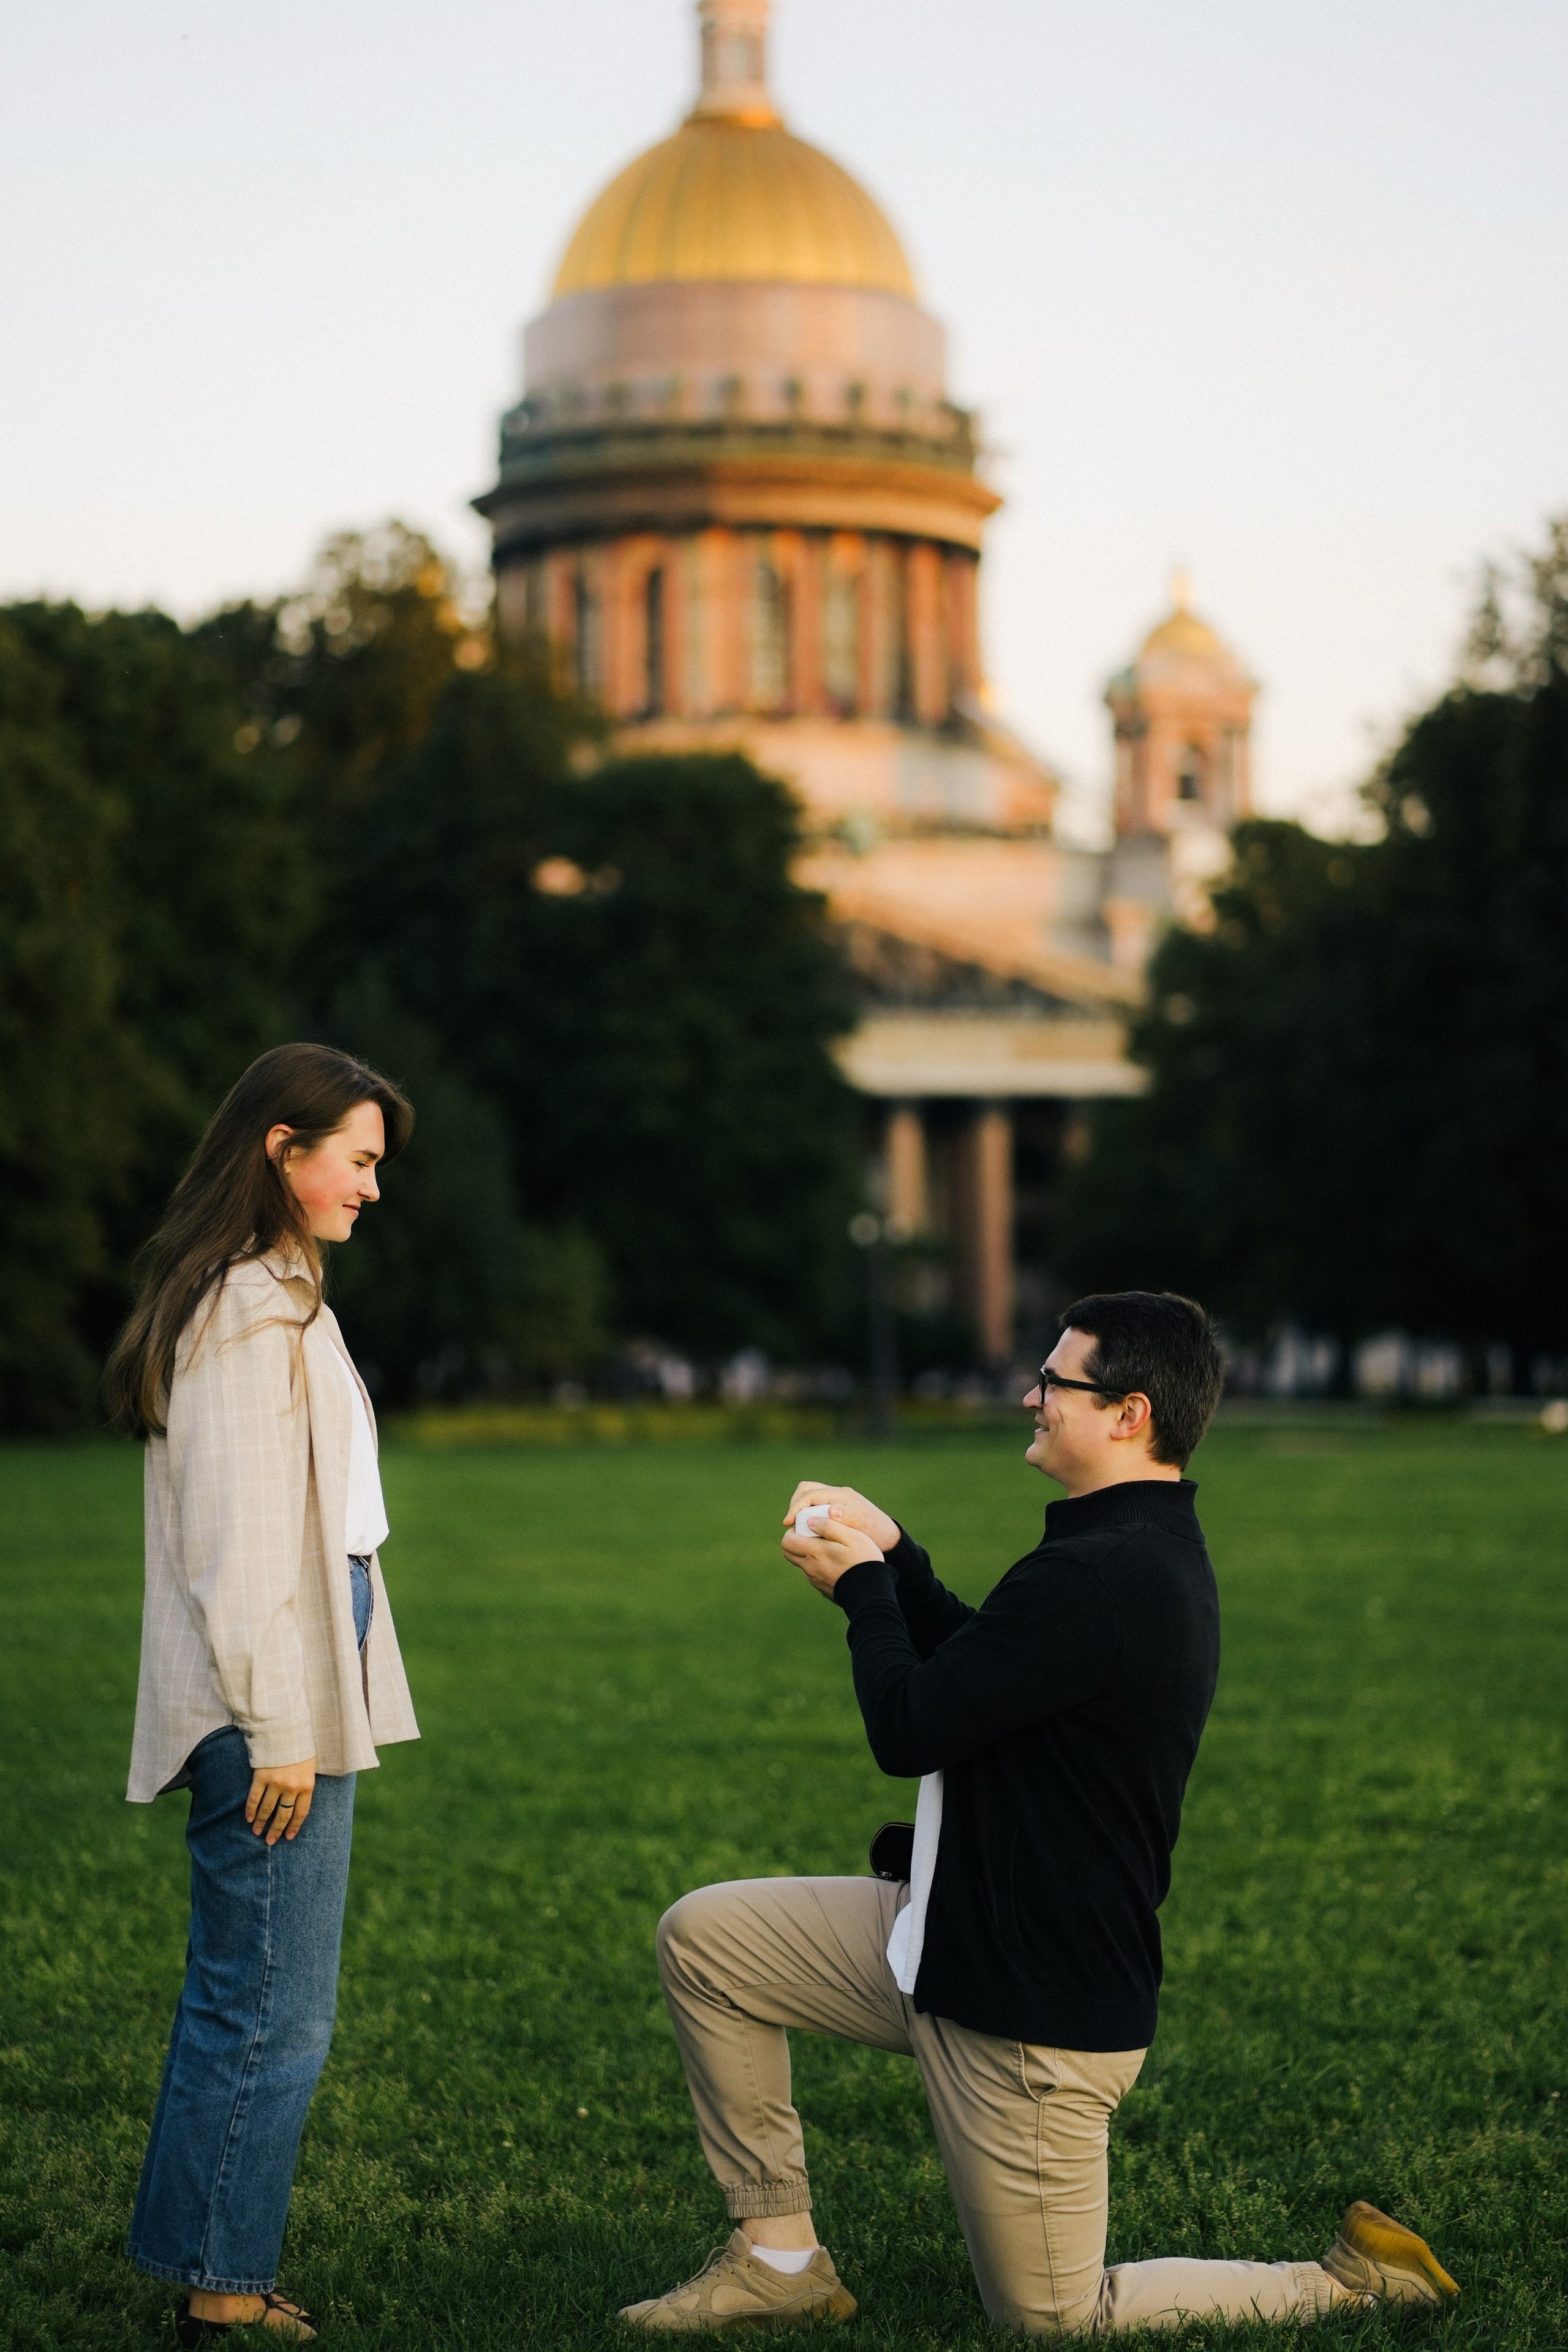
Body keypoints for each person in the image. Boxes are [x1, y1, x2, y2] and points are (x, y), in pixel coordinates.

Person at [622, 1291, 1460, 2335]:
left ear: (1128, 1414)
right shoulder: (1119, 1555)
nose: (1031, 1395)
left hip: (1032, 2014)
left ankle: (1349, 2282)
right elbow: (997, 1670)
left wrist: (868, 1590)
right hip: (958, 1938)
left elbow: (914, 1727)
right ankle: (779, 2260)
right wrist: (904, 1559)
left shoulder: (1109, 1574)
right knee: (710, 1942)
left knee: (1059, 2320)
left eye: (1054, 1382)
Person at [106, 1043, 422, 2345]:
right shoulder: (246, 1308)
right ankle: (222, 2296)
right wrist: (283, 1727)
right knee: (271, 2006)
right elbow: (236, 1553)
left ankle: (214, 2267)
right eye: (356, 1160)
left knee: (254, 1993)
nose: (370, 1188)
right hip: (270, 1683)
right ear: (279, 1151)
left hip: (305, 1647)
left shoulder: (279, 1291)